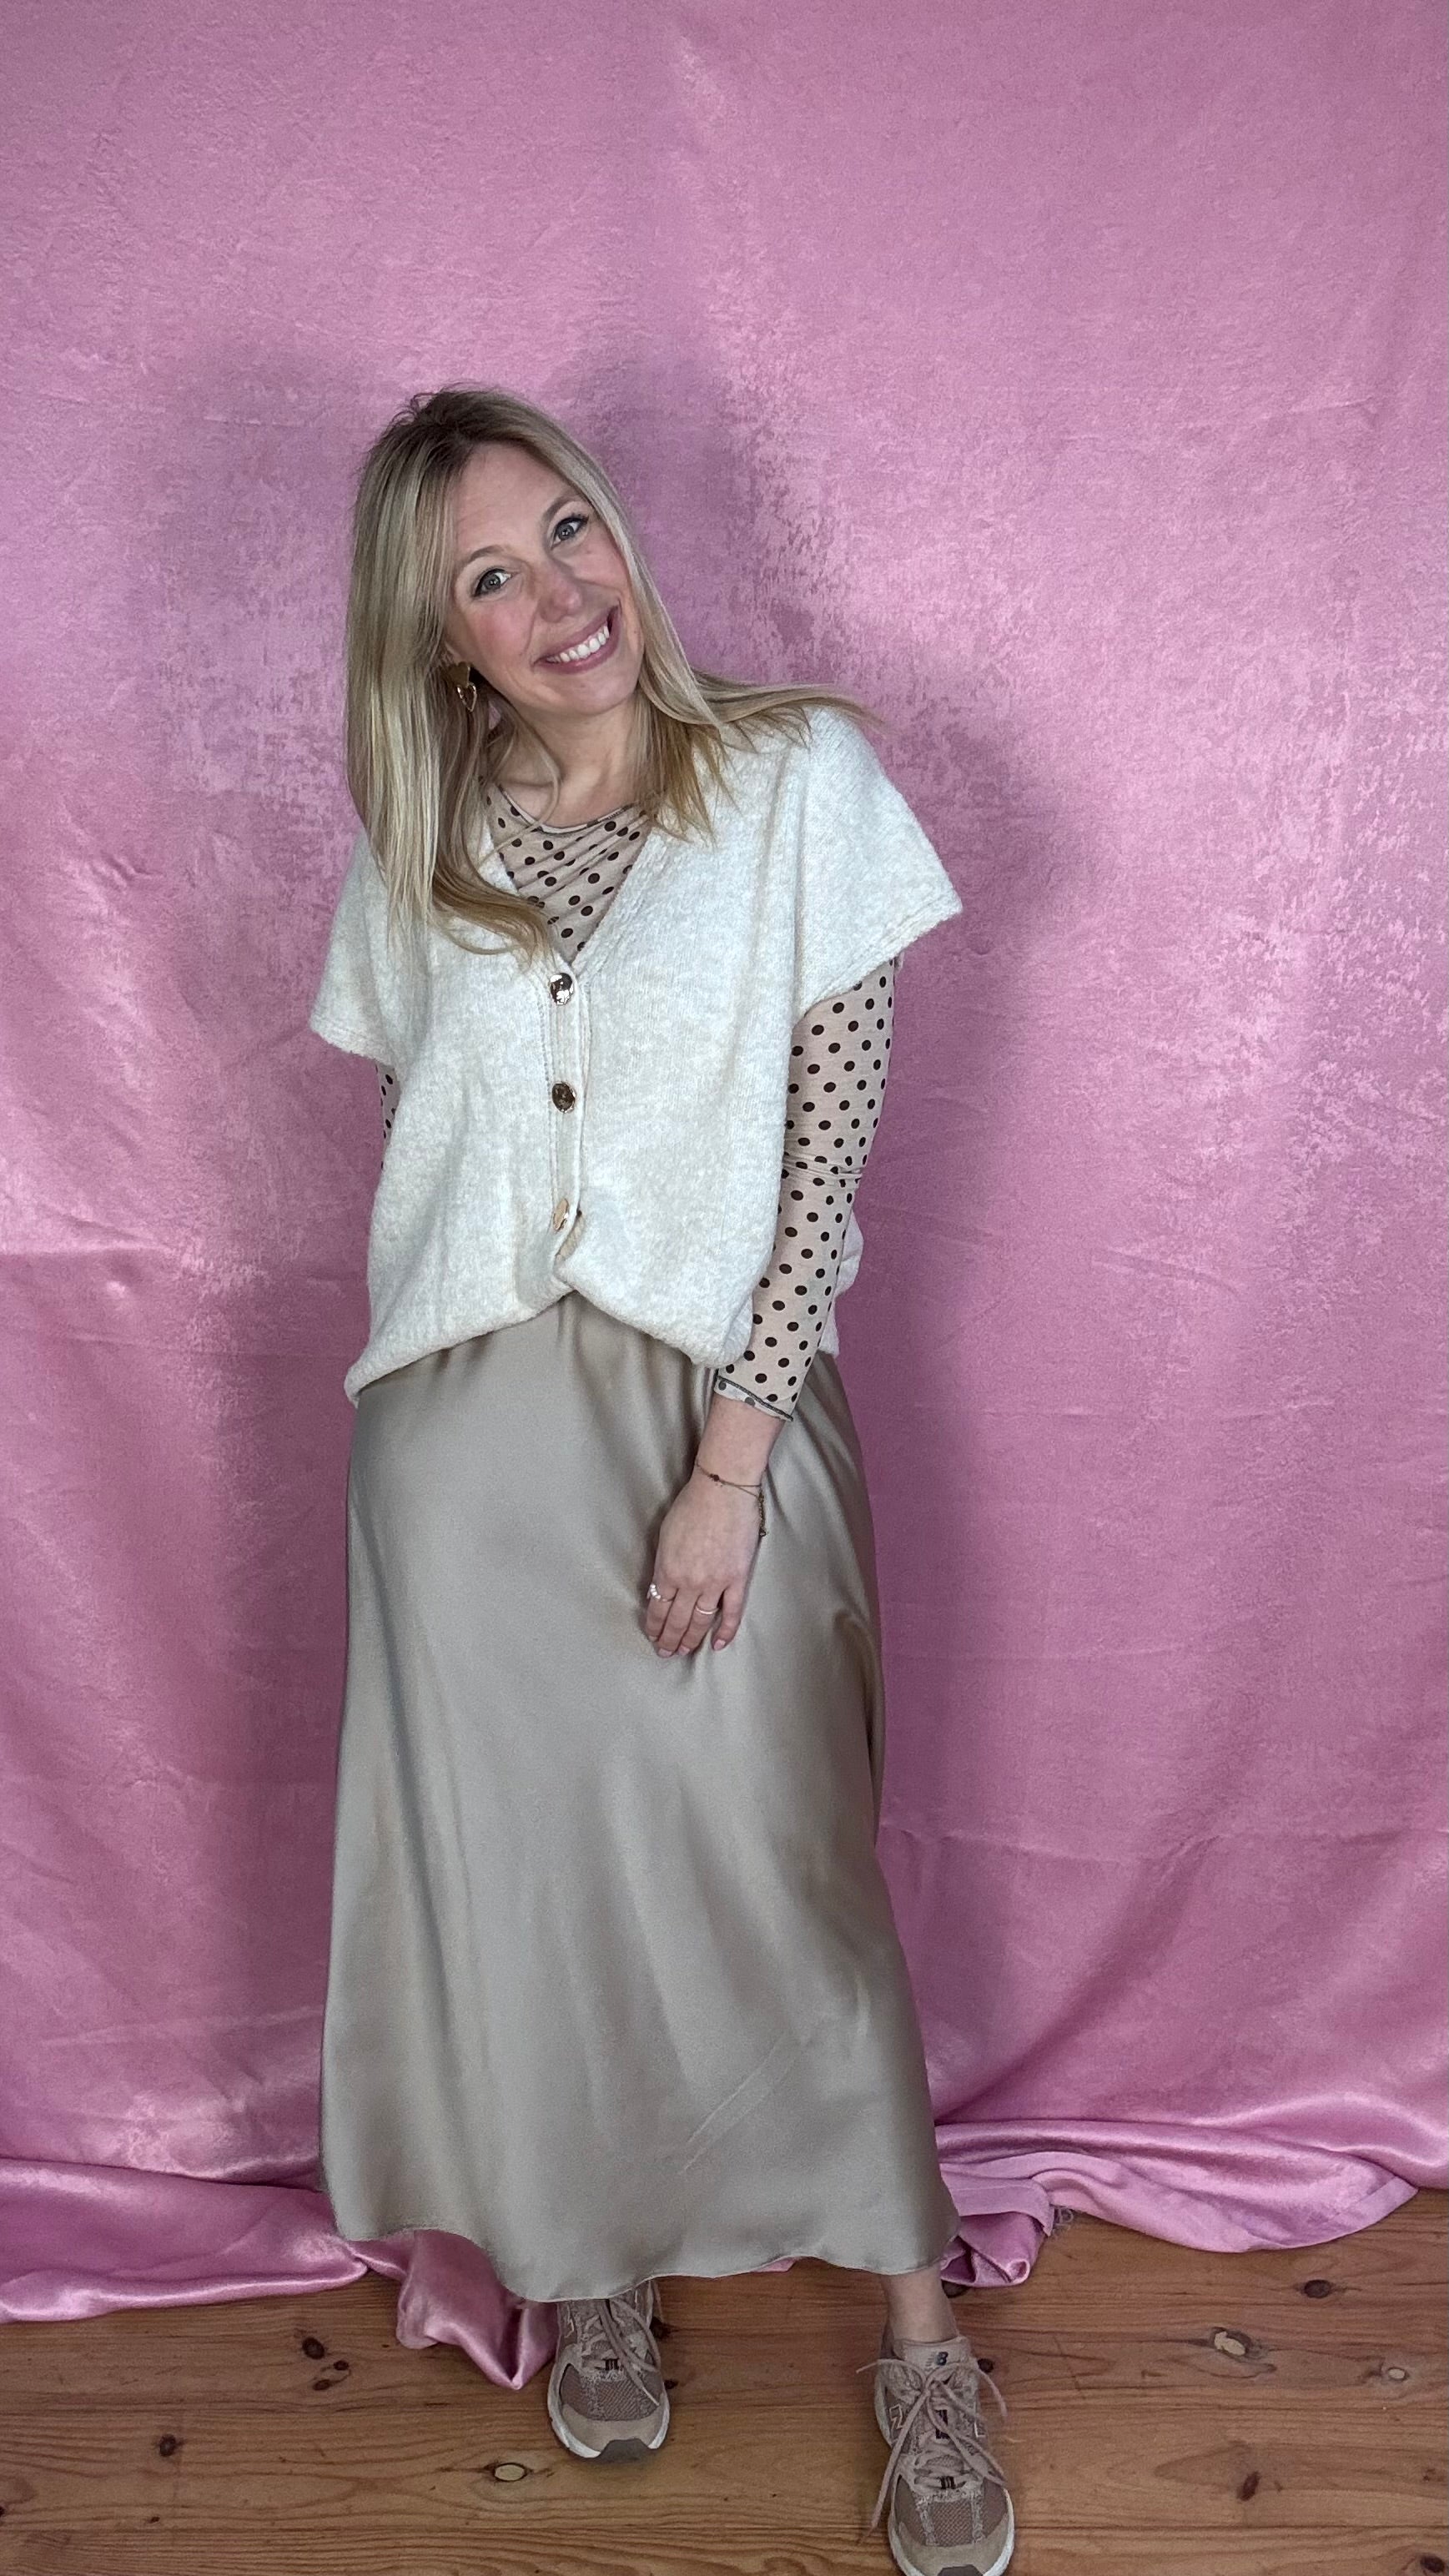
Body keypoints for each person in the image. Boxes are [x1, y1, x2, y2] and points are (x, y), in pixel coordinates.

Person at [306, 384, 1015, 2576]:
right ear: (439, 638)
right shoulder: (418, 854)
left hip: (718, 1415)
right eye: (488, 576)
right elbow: (434, 1155)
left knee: (786, 1882)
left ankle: (921, 2343)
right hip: (459, 1464)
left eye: (568, 530)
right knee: (546, 1898)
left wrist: (734, 1458)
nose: (557, 593)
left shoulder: (799, 780)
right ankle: (593, 2262)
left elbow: (828, 1155)